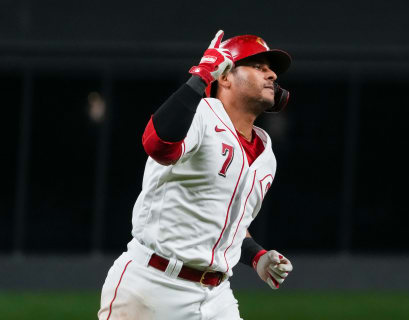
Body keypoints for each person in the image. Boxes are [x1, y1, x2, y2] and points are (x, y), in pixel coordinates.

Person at [98, 30, 293, 320]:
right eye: (258, 66)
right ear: (225, 77)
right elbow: (157, 144)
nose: (272, 75)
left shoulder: (265, 153)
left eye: (272, 70)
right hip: (153, 284)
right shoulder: (200, 113)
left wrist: (257, 256)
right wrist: (201, 76)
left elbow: (230, 223)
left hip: (216, 295)